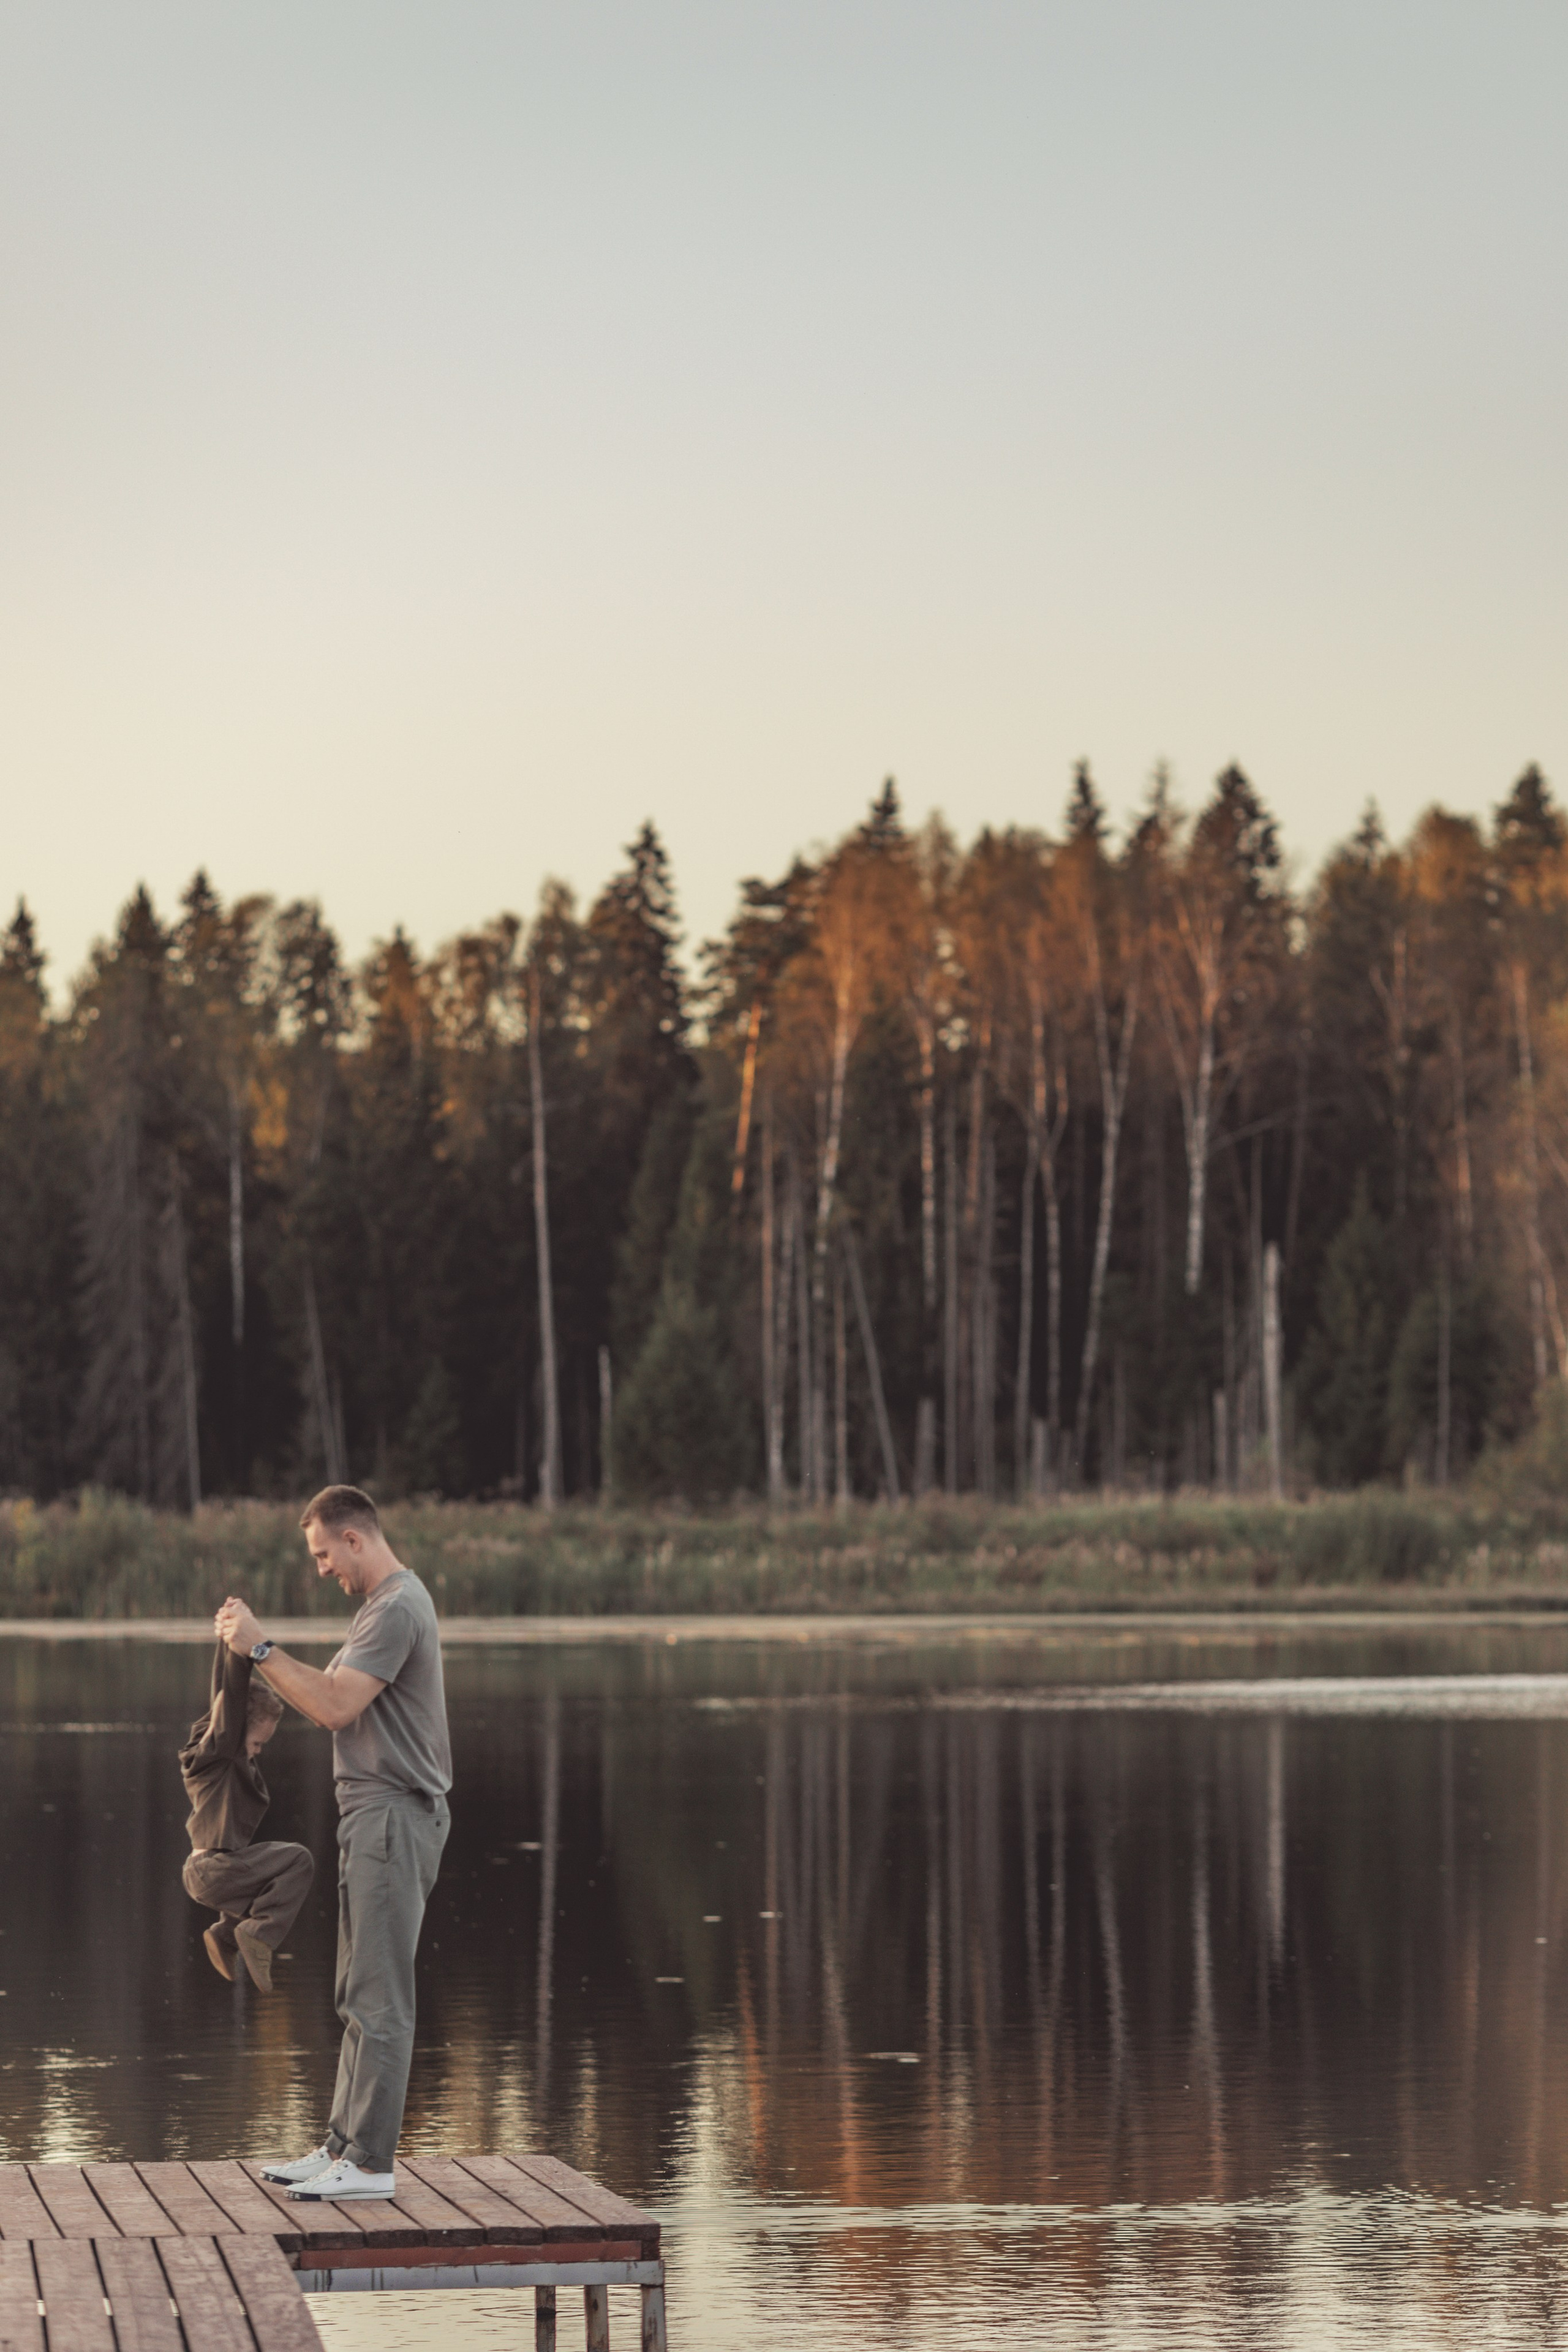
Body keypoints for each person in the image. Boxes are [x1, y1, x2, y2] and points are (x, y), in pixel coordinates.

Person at [214, 1483, 451, 2204]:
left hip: (393, 1816)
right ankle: (343, 2145)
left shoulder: (397, 1607)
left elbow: (335, 1705)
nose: (321, 1569)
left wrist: (260, 1646)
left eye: (323, 1554)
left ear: (354, 1538)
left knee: (380, 1996)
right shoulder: (382, 1608)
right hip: (372, 1818)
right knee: (357, 1990)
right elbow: (328, 1696)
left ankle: (370, 2164)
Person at [180, 1641, 314, 1992]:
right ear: (237, 1729)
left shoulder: (213, 1754)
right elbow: (230, 1692)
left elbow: (223, 1696)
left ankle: (227, 1935)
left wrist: (227, 1638)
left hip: (208, 1871)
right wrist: (242, 1644)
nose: (259, 1751)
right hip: (212, 1870)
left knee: (273, 1884)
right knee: (298, 1860)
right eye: (257, 1743)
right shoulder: (223, 1754)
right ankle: (257, 1935)